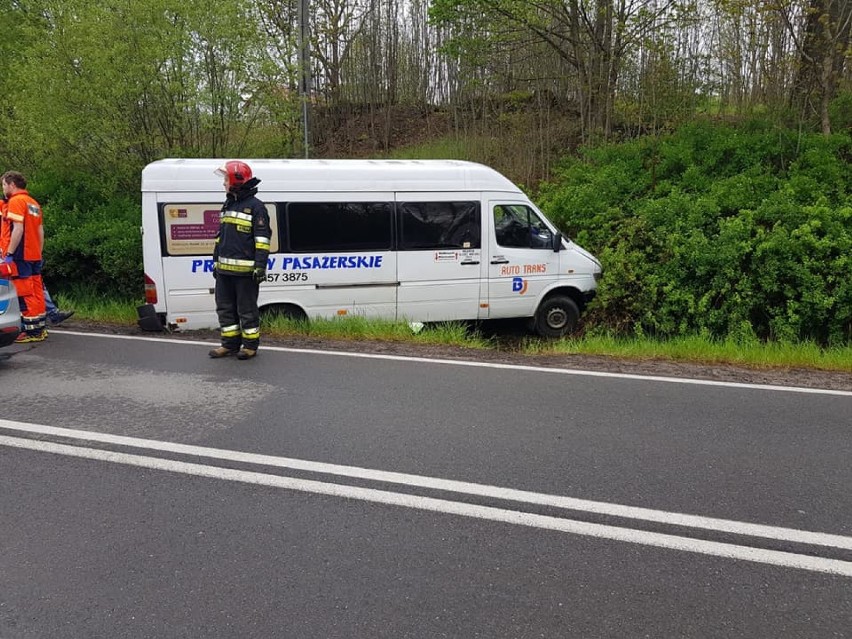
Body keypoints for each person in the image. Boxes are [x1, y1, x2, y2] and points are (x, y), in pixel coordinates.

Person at [208, 160, 270, 360]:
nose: (223, 183)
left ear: (236, 180)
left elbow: (262, 241)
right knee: (225, 309)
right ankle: (229, 344)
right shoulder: (228, 203)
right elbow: (221, 237)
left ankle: (250, 346)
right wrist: (216, 261)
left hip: (245, 273)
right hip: (224, 272)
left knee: (246, 310)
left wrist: (260, 267)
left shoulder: (256, 207)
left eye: (226, 179)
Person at [1, 171, 47, 342]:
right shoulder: (33, 203)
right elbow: (40, 231)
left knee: (25, 292)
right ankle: (40, 328)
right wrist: (39, 253)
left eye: (4, 185)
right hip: (34, 253)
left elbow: (17, 229)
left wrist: (10, 254)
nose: (3, 189)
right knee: (36, 291)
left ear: (12, 184)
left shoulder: (16, 201)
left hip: (21, 254)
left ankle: (31, 331)